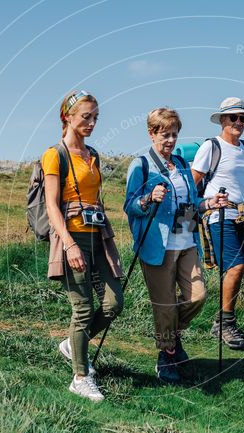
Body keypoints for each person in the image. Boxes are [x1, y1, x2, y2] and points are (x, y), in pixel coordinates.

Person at [124, 107, 227, 383]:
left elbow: (191, 203)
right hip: (157, 244)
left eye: (174, 135)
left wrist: (208, 204)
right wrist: (147, 199)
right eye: (165, 135)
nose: (170, 140)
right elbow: (130, 206)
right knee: (165, 305)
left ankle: (170, 337)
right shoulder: (141, 165)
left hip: (187, 237)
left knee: (197, 296)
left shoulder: (181, 164)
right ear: (152, 133)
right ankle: (167, 353)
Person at [43, 90, 123, 402]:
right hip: (72, 237)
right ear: (67, 117)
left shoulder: (93, 155)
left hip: (97, 235)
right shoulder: (55, 155)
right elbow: (51, 205)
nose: (91, 123)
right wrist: (69, 244)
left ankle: (72, 345)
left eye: (95, 118)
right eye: (85, 117)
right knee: (83, 307)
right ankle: (80, 377)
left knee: (114, 303)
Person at [190, 97, 244, 351]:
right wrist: (192, 209)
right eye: (233, 118)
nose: (239, 122)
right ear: (222, 120)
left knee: (237, 270)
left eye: (242, 118)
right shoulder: (212, 147)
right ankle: (225, 324)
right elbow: (193, 180)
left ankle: (222, 321)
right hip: (218, 215)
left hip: (241, 216)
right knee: (236, 267)